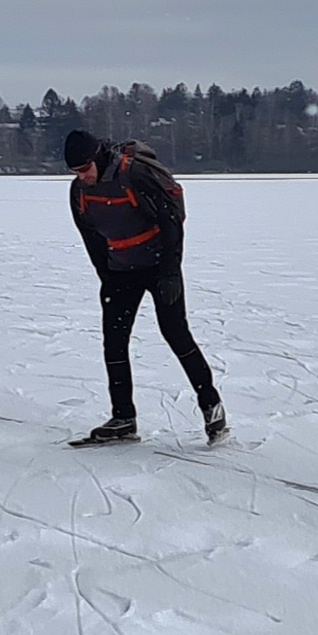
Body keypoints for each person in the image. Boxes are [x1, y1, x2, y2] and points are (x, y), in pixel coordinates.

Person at [62, 127, 227, 445]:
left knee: (176, 334)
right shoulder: (79, 191)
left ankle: (212, 407)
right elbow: (91, 238)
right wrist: (106, 277)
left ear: (97, 157)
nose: (81, 177)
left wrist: (170, 273)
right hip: (120, 270)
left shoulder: (136, 174)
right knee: (114, 341)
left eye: (84, 169)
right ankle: (123, 418)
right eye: (75, 172)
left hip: (158, 264)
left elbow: (172, 221)